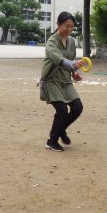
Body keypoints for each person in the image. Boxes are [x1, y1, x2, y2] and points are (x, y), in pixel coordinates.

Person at [41, 12, 84, 152]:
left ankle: (61, 130)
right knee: (62, 110)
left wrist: (74, 73)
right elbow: (58, 58)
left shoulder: (71, 41)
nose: (70, 29)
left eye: (72, 27)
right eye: (67, 26)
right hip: (52, 80)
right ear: (59, 25)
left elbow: (71, 59)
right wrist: (73, 65)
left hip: (65, 81)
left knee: (77, 107)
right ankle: (52, 141)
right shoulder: (52, 41)